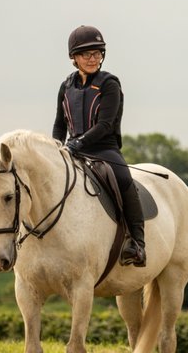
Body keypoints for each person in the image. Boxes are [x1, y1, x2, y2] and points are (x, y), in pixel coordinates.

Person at [53, 24, 146, 267]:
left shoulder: (109, 84)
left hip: (104, 149)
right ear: (74, 58)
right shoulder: (66, 86)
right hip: (73, 150)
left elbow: (105, 124)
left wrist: (78, 143)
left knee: (123, 178)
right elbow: (59, 125)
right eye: (87, 54)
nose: (93, 59)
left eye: (97, 54)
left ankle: (137, 243)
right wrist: (55, 149)